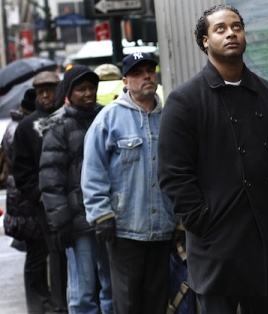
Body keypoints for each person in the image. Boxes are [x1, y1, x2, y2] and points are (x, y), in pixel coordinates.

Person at [157, 4, 268, 314]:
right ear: (205, 40)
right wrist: (202, 220)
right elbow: (173, 173)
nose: (230, 33)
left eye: (236, 27)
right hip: (216, 242)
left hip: (266, 238)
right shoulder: (185, 100)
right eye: (220, 29)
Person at [81, 52, 177, 314]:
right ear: (125, 81)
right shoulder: (109, 118)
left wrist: (180, 216)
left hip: (162, 227)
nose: (146, 76)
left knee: (157, 301)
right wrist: (101, 216)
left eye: (150, 70)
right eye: (137, 72)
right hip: (124, 229)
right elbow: (93, 171)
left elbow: (179, 171)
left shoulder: (168, 117)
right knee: (128, 303)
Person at [38, 65, 112, 314]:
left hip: (108, 217)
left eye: (92, 87)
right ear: (69, 92)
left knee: (111, 288)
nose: (89, 93)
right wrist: (60, 224)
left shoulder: (106, 118)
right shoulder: (58, 127)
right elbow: (51, 181)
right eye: (81, 88)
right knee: (83, 293)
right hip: (78, 224)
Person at [12, 71, 68, 314]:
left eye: (51, 89)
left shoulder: (69, 117)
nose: (46, 95)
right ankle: (59, 305)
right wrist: (39, 195)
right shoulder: (26, 127)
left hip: (74, 197)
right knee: (54, 253)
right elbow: (20, 170)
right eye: (41, 91)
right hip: (44, 203)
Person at [2, 89, 37, 245]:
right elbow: (22, 165)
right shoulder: (20, 128)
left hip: (18, 191)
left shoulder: (15, 125)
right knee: (35, 251)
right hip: (23, 193)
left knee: (34, 250)